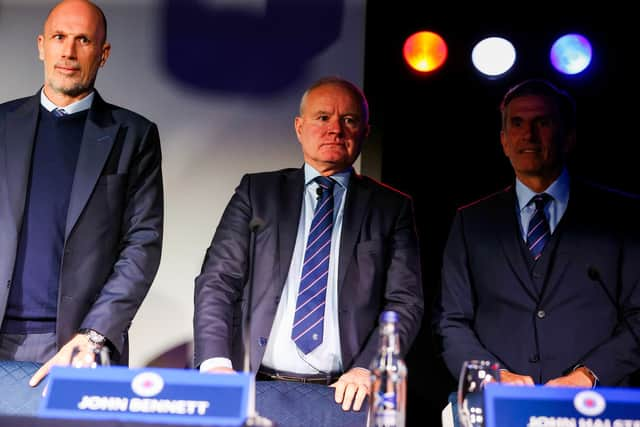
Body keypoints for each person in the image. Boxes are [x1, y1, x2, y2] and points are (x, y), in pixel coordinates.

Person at [194, 76, 424, 411]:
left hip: (346, 396)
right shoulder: (257, 192)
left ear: (365, 132)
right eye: (323, 118)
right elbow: (218, 280)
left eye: (349, 120)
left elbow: (405, 303)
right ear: (299, 127)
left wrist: (367, 367)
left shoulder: (391, 208)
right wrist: (215, 363)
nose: (336, 129)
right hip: (255, 386)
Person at [433, 78, 640, 388]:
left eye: (541, 122)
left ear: (568, 137)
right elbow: (451, 322)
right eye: (517, 123)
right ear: (503, 140)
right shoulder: (471, 223)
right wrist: (495, 377)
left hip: (595, 406)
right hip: (499, 406)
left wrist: (588, 376)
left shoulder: (621, 216)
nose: (528, 135)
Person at [0, 0, 163, 386]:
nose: (68, 52)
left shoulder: (133, 135)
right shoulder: (3, 124)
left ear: (103, 54)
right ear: (42, 45)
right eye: (59, 37)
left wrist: (93, 336)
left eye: (83, 40)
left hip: (79, 347)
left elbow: (142, 245)